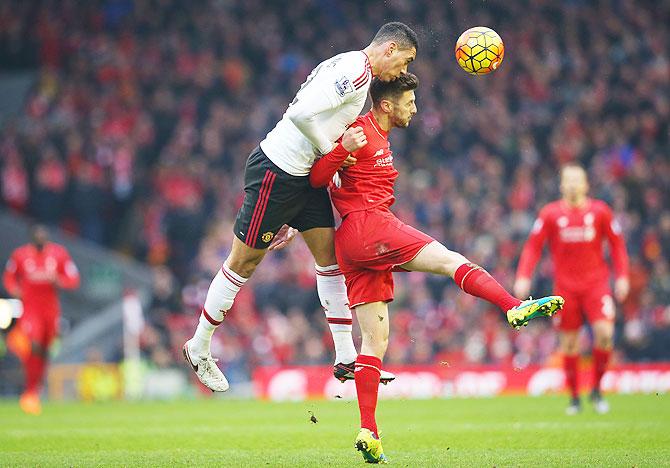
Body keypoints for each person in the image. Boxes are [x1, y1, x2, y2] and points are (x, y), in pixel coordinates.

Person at [309, 73, 564, 463]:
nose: (415, 107)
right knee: (451, 261)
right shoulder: (358, 130)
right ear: (387, 105)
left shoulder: (377, 132)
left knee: (374, 342)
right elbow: (317, 177)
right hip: (370, 224)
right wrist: (341, 149)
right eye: (409, 101)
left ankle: (368, 430)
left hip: (352, 242)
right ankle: (512, 305)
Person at [182, 22, 419, 392]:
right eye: (404, 62)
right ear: (389, 49)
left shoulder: (351, 67)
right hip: (276, 172)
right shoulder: (354, 72)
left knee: (330, 259)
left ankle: (345, 357)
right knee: (243, 262)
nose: (403, 73)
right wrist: (332, 150)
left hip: (302, 176)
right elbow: (300, 116)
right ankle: (199, 345)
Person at [514, 164, 629, 415]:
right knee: (569, 343)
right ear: (562, 185)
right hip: (565, 288)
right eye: (569, 180)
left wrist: (622, 277)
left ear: (586, 184)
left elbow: (617, 245)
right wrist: (523, 276)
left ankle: (597, 391)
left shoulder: (601, 212)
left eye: (578, 180)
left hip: (596, 285)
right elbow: (533, 246)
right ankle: (575, 397)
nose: (574, 184)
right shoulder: (550, 214)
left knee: (605, 333)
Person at [3, 225, 80, 415]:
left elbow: (73, 278)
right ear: (32, 238)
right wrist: (14, 289)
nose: (40, 237)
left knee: (45, 350)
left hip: (51, 310)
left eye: (43, 235)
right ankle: (29, 392)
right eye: (37, 235)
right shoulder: (20, 255)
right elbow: (9, 276)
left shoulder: (59, 254)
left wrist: (59, 281)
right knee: (34, 344)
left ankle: (35, 390)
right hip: (30, 308)